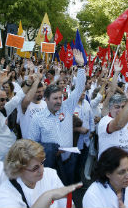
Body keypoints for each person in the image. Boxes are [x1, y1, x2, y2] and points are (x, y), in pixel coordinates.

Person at [28, 49, 86, 185]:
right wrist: (50, 151)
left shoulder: (67, 107)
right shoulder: (38, 118)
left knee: (68, 193)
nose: (59, 101)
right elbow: (32, 144)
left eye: (60, 97)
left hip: (69, 160)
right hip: (50, 165)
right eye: (55, 98)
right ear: (46, 99)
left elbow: (79, 88)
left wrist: (81, 67)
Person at [0, 139, 80, 208]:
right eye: (35, 168)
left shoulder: (50, 174)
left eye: (42, 163)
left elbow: (67, 205)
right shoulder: (5, 195)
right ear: (18, 170)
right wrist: (48, 196)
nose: (42, 170)